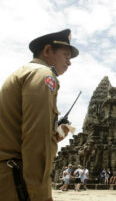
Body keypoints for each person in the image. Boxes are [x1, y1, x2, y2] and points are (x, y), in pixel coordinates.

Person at [0, 29, 79, 201]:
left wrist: (54, 136)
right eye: (66, 55)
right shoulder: (43, 75)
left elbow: (22, 132)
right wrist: (41, 195)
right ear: (47, 50)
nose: (69, 62)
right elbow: (37, 138)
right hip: (17, 183)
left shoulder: (23, 72)